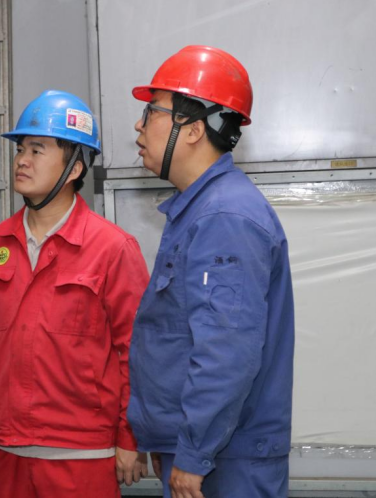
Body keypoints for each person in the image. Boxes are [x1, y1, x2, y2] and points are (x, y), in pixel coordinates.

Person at [127, 45, 295, 498]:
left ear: (194, 129)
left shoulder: (224, 218)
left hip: (222, 461)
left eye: (152, 111)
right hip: (206, 451)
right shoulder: (203, 209)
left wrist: (193, 453)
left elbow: (226, 352)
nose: (139, 126)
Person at [0, 90, 150, 497]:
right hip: (4, 452)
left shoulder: (112, 249)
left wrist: (130, 437)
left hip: (81, 456)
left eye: (37, 150)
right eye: (20, 149)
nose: (22, 160)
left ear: (75, 167)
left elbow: (137, 352)